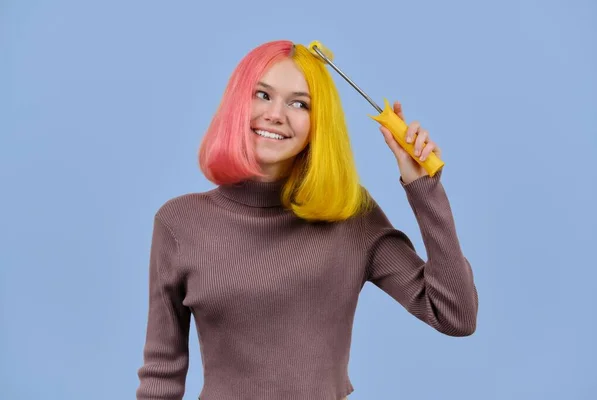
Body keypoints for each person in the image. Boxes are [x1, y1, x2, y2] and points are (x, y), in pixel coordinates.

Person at [135, 39, 478, 400]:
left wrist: (423, 189)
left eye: (299, 103)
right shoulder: (179, 222)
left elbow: (454, 314)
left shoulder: (350, 213)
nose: (275, 114)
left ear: (319, 124)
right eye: (262, 95)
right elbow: (162, 370)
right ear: (237, 103)